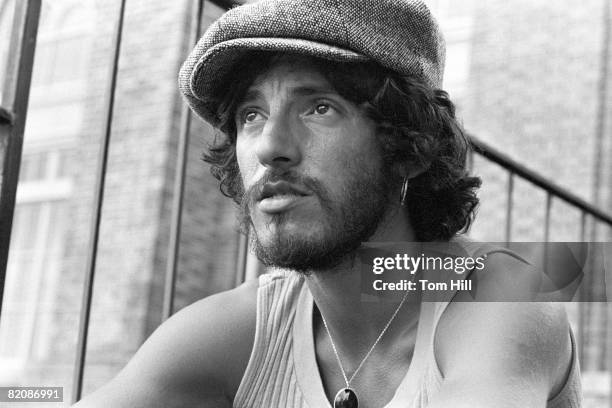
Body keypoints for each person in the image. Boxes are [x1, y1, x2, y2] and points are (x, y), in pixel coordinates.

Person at [74, 0, 581, 407]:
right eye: (251, 115)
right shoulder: (241, 327)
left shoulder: (505, 294)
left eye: (320, 107)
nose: (271, 146)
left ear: (410, 147)